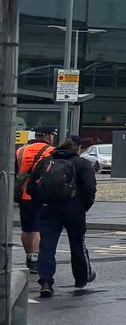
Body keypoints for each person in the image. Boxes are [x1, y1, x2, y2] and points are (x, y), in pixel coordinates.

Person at [29, 135, 97, 298]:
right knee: (77, 244)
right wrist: (84, 207)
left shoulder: (46, 162)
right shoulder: (82, 163)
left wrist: (42, 203)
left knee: (47, 245)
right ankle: (80, 279)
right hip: (74, 210)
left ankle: (45, 281)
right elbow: (90, 188)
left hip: (49, 208)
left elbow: (32, 186)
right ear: (79, 147)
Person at [16, 126, 54, 271]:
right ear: (49, 137)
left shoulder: (21, 150)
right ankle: (36, 259)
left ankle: (29, 257)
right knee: (38, 228)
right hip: (43, 194)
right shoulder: (52, 151)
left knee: (26, 228)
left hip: (24, 194)